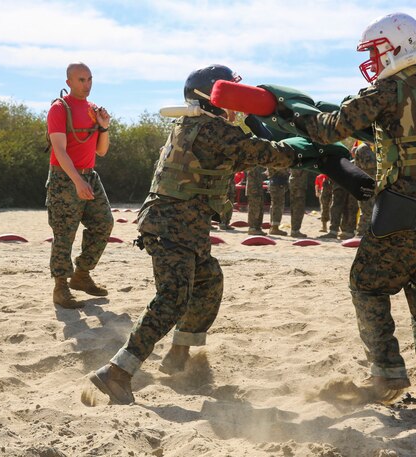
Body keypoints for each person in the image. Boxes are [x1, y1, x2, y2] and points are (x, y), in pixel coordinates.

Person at [87, 64, 302, 405]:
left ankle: (178, 354)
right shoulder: (213, 131)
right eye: (230, 94)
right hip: (174, 227)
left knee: (208, 282)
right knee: (172, 298)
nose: (235, 104)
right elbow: (270, 154)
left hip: (183, 228)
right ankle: (117, 372)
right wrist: (311, 144)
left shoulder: (193, 124)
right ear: (211, 98)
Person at [290, 12, 416, 408]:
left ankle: (386, 375)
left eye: (375, 48)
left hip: (407, 208)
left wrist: (293, 114)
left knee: (367, 285)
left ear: (398, 44)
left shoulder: (390, 88)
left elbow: (330, 128)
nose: (371, 58)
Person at [46, 62, 114, 309]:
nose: (87, 84)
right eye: (81, 80)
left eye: (89, 79)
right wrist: (76, 181)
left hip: (90, 175)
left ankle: (81, 275)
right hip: (65, 177)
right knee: (64, 232)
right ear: (69, 83)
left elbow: (102, 151)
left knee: (104, 223)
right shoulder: (59, 109)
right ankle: (60, 287)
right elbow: (59, 150)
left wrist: (104, 126)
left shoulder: (93, 109)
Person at [354, 141, 377, 236]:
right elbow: (366, 165)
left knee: (372, 211)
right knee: (367, 210)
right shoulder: (363, 148)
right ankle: (360, 234)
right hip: (365, 184)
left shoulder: (371, 148)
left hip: (373, 183)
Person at [267, 168, 290, 235]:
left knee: (275, 204)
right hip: (278, 183)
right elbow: (281, 169)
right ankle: (275, 228)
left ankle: (273, 226)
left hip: (275, 182)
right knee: (278, 205)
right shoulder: (277, 159)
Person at [288, 168, 309, 238]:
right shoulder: (300, 159)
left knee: (294, 207)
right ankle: (295, 231)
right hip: (299, 184)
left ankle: (294, 230)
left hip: (294, 183)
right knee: (298, 208)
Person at [246, 166, 266, 235]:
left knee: (259, 209)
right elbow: (253, 176)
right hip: (254, 189)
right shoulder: (252, 164)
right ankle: (252, 228)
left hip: (258, 188)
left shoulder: (258, 165)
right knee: (254, 209)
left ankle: (257, 227)